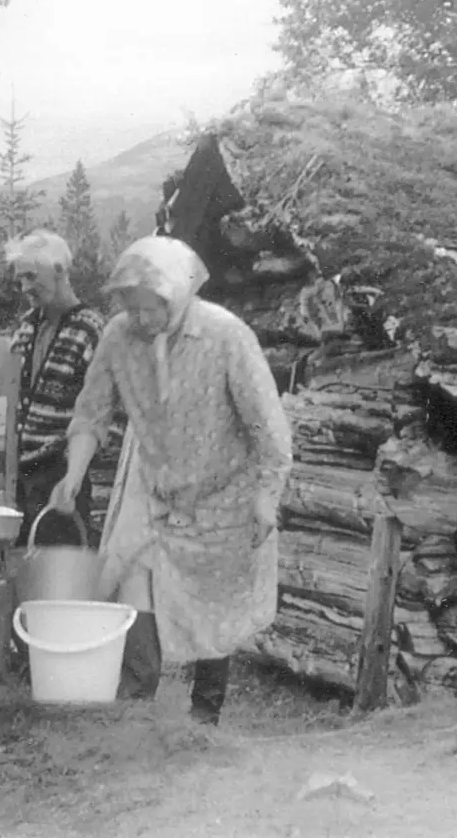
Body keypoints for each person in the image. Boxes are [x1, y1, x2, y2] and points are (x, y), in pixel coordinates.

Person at [47, 235, 293, 726]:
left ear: (177, 296)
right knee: (135, 581)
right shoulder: (118, 337)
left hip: (223, 495)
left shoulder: (226, 336)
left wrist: (267, 496)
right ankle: (136, 713)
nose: (140, 320)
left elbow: (268, 425)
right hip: (156, 490)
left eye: (149, 309)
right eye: (131, 308)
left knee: (212, 608)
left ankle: (204, 718)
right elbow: (91, 413)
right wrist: (73, 474)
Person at [6, 230, 107, 672]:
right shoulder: (28, 327)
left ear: (61, 271)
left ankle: (63, 660)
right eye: (20, 280)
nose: (26, 288)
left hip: (64, 468)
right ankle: (30, 659)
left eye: (32, 277)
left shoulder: (91, 329)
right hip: (21, 467)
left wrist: (77, 470)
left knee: (62, 567)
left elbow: (104, 405)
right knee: (25, 563)